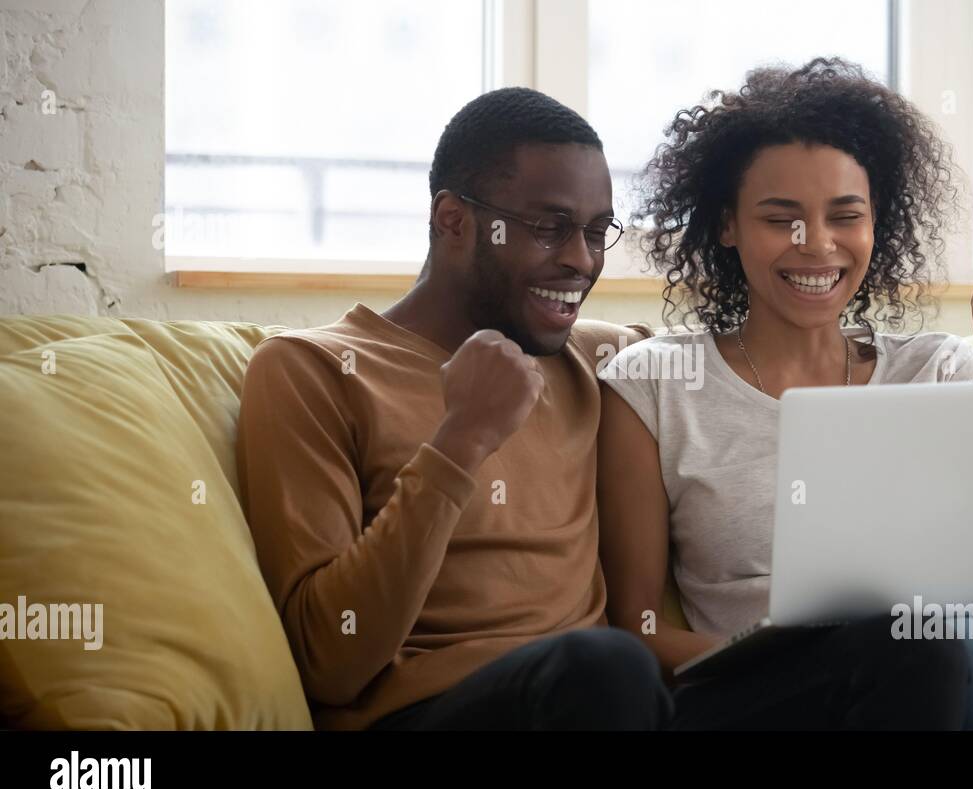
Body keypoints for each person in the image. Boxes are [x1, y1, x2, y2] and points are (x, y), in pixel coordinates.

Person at [597, 58, 973, 730]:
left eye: (845, 216)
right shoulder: (654, 385)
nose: (818, 245)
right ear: (726, 224)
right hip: (769, 692)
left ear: (875, 224)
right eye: (782, 219)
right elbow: (639, 626)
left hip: (952, 666)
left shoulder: (933, 369)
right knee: (941, 643)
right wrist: (800, 652)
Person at [236, 87, 672, 730]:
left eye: (596, 231)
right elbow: (328, 658)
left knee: (862, 650)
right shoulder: (312, 370)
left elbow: (736, 364)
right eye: (549, 227)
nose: (581, 259)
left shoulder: (603, 359)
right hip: (427, 714)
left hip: (607, 702)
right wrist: (460, 439)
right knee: (605, 666)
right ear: (453, 221)